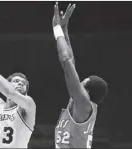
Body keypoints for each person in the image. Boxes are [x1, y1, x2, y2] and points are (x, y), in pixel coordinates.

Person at [52, 3, 108, 148]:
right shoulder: (81, 104)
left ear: (87, 92)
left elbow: (66, 60)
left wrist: (56, 29)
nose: (79, 81)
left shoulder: (84, 104)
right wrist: (64, 30)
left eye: (83, 82)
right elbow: (71, 64)